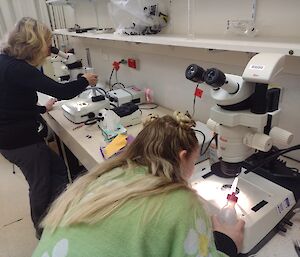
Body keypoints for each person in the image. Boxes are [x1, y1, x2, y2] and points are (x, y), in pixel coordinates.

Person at [32, 112, 245, 257]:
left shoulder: (106, 175)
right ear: (182, 157)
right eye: (194, 161)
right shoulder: (180, 203)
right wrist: (227, 242)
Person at [0, 17, 98, 238]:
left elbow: (9, 102)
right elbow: (62, 92)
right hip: (20, 142)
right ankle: (44, 231)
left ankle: (59, 213)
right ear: (33, 44)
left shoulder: (5, 61)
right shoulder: (20, 69)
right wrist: (85, 79)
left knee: (57, 169)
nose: (49, 49)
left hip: (10, 137)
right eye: (47, 43)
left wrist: (42, 110)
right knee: (40, 183)